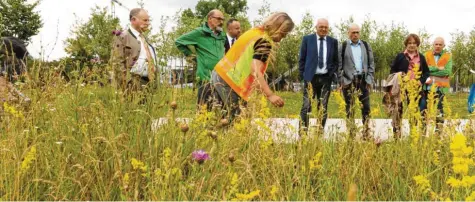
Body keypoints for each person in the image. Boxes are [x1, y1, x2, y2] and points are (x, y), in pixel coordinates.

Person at [212, 12, 294, 120]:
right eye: (283, 34)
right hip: (231, 82)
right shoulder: (264, 41)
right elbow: (255, 70)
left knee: (222, 119)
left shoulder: (255, 32)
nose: (282, 38)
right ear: (278, 29)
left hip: (219, 74)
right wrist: (270, 95)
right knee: (240, 121)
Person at [175, 9, 226, 110]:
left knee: (222, 111)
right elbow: (179, 41)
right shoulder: (199, 32)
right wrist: (192, 56)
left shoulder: (222, 35)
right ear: (210, 19)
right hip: (206, 78)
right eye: (219, 19)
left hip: (221, 79)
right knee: (204, 111)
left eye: (223, 19)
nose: (222, 22)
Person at [299, 18, 339, 132]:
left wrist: (331, 74)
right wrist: (303, 75)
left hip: (326, 78)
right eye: (321, 26)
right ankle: (303, 132)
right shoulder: (307, 39)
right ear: (316, 27)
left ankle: (319, 132)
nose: (323, 29)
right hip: (310, 78)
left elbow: (336, 61)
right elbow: (302, 59)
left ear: (328, 28)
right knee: (306, 106)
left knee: (323, 107)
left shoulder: (333, 41)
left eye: (326, 27)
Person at [389, 33, 430, 138]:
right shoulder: (400, 56)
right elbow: (392, 70)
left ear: (417, 45)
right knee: (398, 111)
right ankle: (397, 136)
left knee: (414, 112)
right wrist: (400, 77)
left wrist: (421, 81)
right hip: (401, 88)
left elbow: (426, 72)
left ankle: (413, 135)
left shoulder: (421, 57)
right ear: (406, 44)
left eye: (414, 43)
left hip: (415, 89)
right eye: (410, 43)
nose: (412, 45)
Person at [339, 23, 375, 139]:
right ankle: (351, 132)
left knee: (366, 107)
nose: (355, 34)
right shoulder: (343, 46)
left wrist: (369, 79)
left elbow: (371, 63)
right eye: (353, 32)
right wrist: (342, 81)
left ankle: (366, 132)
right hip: (349, 81)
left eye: (357, 32)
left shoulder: (365, 45)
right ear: (348, 33)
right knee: (350, 108)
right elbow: (339, 66)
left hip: (363, 80)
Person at [111, 8, 157, 93]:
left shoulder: (145, 39)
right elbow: (117, 63)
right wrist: (124, 86)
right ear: (133, 20)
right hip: (133, 84)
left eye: (148, 20)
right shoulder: (122, 37)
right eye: (145, 20)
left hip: (150, 83)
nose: (148, 23)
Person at [420, 37, 452, 133]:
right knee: (423, 111)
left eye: (440, 44)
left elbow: (447, 72)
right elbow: (423, 70)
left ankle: (438, 135)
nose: (438, 46)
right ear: (433, 45)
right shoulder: (426, 55)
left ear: (443, 46)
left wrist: (430, 71)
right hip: (426, 89)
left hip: (440, 89)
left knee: (439, 113)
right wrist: (438, 68)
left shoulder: (448, 56)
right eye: (436, 44)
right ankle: (422, 134)